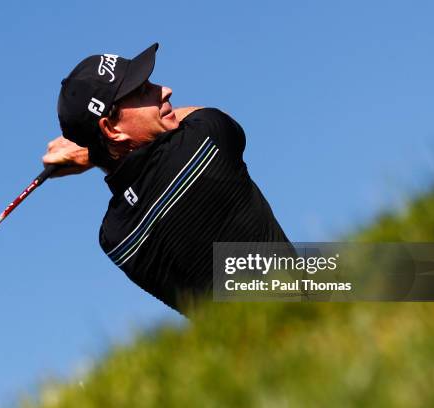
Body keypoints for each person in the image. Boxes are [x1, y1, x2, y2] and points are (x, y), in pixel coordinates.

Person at [43, 43, 290, 313]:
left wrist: (98, 152)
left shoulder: (115, 238)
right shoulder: (205, 140)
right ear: (111, 128)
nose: (165, 90)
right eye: (143, 92)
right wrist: (90, 156)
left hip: (244, 350)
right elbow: (217, 116)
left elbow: (128, 168)